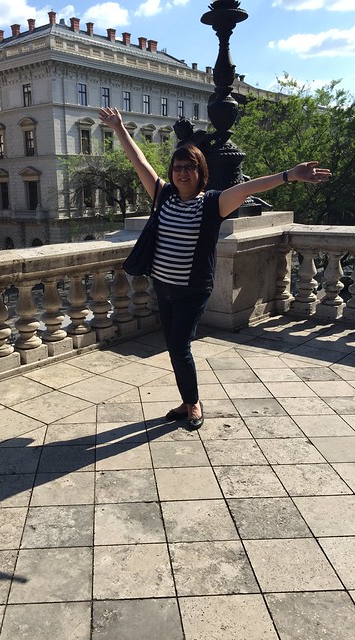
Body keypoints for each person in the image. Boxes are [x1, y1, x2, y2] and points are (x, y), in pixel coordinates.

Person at [99, 106, 332, 431]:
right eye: (177, 167)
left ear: (200, 171)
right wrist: (119, 128)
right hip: (163, 286)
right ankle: (186, 400)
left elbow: (248, 189)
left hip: (192, 290)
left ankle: (193, 403)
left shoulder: (213, 203)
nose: (182, 173)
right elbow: (139, 162)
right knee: (174, 347)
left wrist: (289, 176)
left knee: (179, 346)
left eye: (189, 167)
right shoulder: (163, 196)